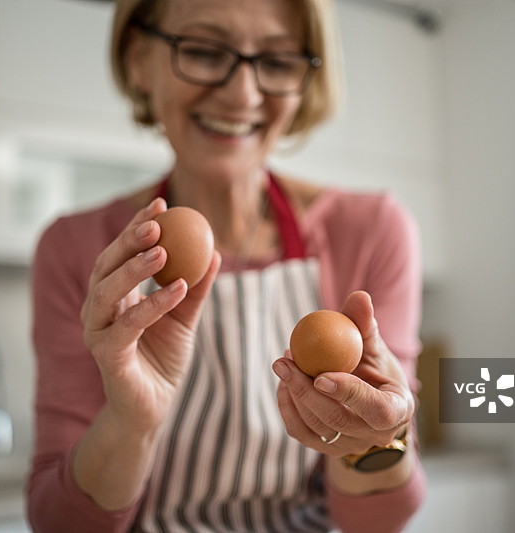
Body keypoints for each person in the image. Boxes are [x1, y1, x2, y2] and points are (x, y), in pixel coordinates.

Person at [26, 0, 426, 531]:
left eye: (279, 61)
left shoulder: (372, 230)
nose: (243, 94)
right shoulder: (79, 249)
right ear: (139, 58)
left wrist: (373, 436)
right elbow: (58, 523)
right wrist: (131, 423)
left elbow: (380, 520)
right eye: (204, 50)